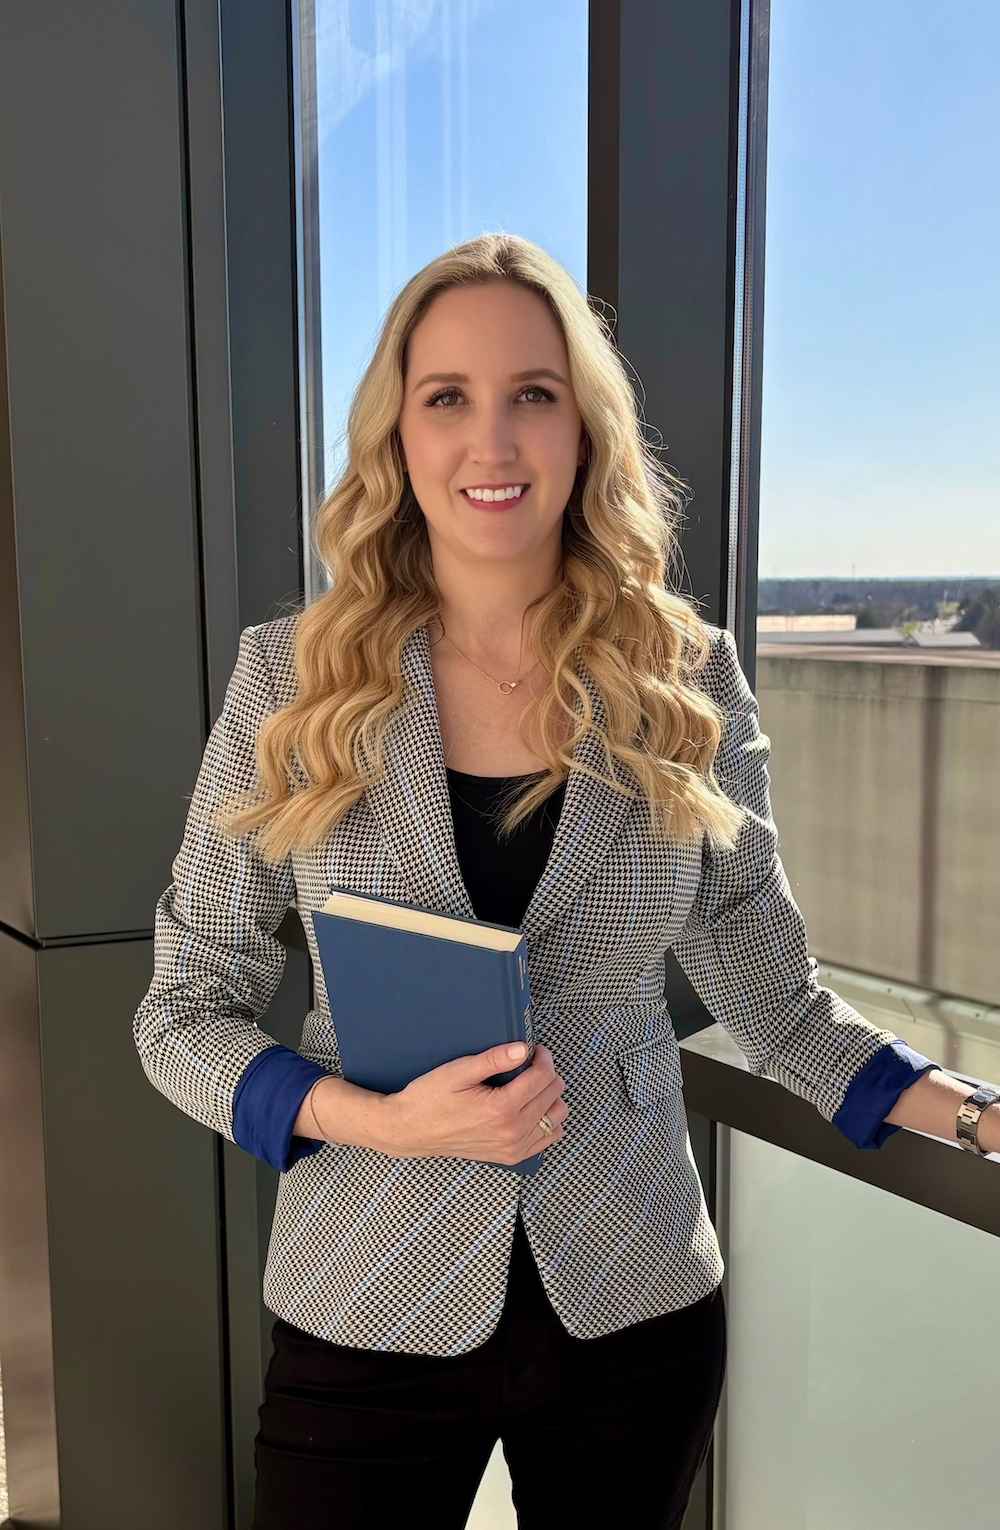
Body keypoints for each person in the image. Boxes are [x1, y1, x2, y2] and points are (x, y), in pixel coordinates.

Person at [133, 232, 1000, 1530]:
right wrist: (382, 1121)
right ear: (398, 436)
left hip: (633, 1302)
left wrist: (983, 1118)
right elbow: (180, 1012)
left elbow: (782, 1005)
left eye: (533, 393)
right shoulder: (290, 681)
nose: (494, 438)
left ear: (584, 430)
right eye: (449, 397)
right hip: (367, 1295)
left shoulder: (685, 682)